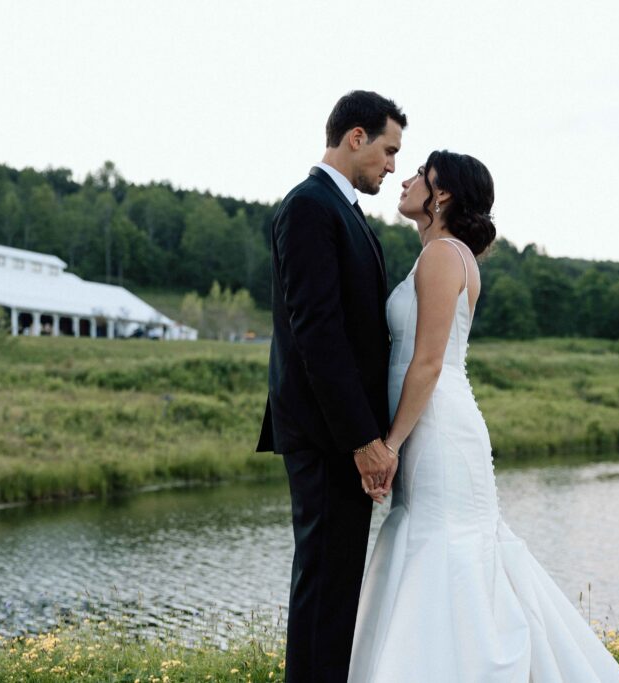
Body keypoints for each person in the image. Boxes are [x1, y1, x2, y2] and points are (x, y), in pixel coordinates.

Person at [347, 151, 619, 682]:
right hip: (431, 425)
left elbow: (428, 362)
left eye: (417, 176)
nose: (403, 180)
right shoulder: (438, 255)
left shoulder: (443, 256)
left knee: (447, 548)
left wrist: (390, 444)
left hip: (433, 430)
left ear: (442, 194)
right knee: (439, 544)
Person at [256, 90, 406, 683]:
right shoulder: (310, 207)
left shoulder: (342, 209)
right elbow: (317, 333)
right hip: (326, 436)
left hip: (339, 434)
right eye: (389, 150)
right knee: (323, 583)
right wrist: (362, 439)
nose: (392, 165)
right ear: (356, 137)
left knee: (338, 582)